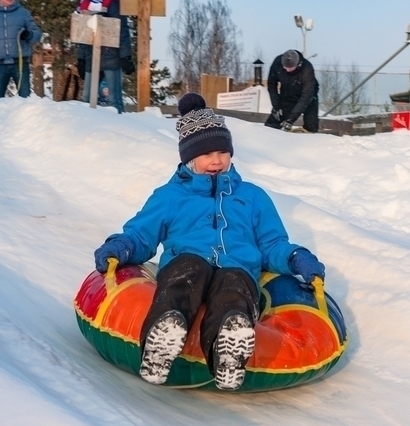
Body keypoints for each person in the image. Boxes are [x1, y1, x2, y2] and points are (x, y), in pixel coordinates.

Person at [92, 92, 325, 391]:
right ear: (189, 157)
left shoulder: (253, 197)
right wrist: (120, 246)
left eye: (222, 152)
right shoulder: (170, 196)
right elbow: (141, 234)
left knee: (235, 290)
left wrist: (295, 257)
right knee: (185, 275)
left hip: (237, 268)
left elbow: (271, 244)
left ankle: (227, 352)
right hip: (186, 262)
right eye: (206, 153)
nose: (216, 160)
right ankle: (162, 337)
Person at [74, 0, 134, 114]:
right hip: (90, 56)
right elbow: (82, 31)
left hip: (110, 56)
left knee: (114, 99)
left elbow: (121, 28)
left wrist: (125, 56)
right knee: (87, 97)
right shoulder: (84, 2)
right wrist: (81, 58)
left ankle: (120, 126)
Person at [265, 49, 320, 133]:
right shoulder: (277, 63)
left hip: (309, 95)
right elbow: (272, 84)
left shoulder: (307, 69)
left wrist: (291, 119)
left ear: (298, 65)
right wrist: (276, 106)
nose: (287, 70)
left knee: (311, 122)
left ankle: (309, 134)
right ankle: (268, 134)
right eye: (285, 68)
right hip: (287, 92)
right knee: (276, 118)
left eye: (290, 68)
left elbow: (306, 97)